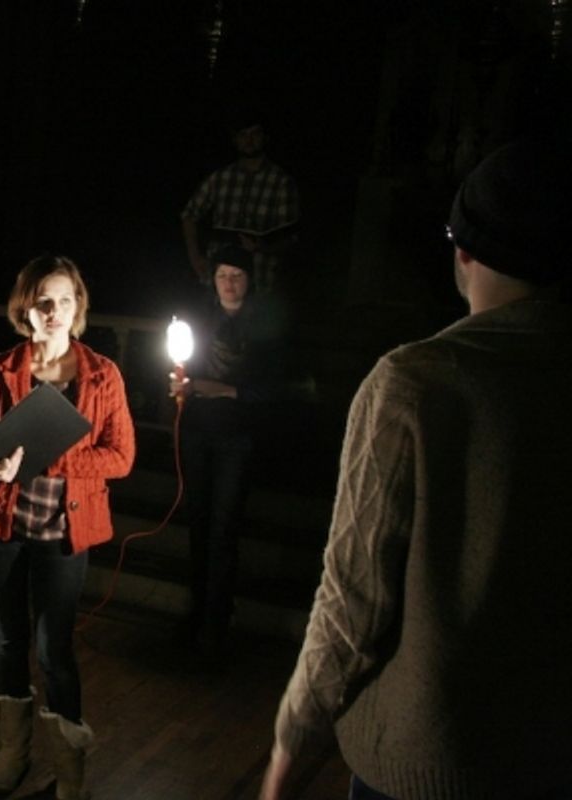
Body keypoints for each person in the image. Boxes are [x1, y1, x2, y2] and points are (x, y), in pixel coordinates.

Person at [259, 139, 572, 800]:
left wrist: (290, 751)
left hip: (429, 761)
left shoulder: (416, 384)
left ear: (462, 250)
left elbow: (353, 601)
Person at [0, 255, 135, 799]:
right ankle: (14, 753)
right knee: (8, 639)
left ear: (78, 307)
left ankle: (68, 772)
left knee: (53, 649)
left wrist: (52, 460)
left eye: (64, 300)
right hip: (2, 526)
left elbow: (121, 456)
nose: (54, 312)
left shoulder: (102, 374)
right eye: (43, 301)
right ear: (25, 309)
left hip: (64, 532)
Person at [168, 244, 287, 657]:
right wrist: (182, 387)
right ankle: (196, 609)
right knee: (199, 522)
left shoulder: (264, 325)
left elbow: (268, 390)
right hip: (199, 431)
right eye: (223, 276)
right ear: (213, 279)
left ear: (249, 280)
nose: (230, 283)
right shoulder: (200, 320)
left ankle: (217, 618)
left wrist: (211, 389)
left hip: (238, 437)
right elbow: (182, 369)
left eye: (237, 275)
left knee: (223, 528)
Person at [181, 111, 299, 293]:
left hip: (260, 277)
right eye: (243, 135)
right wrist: (195, 258)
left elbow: (289, 235)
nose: (249, 140)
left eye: (255, 134)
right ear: (235, 140)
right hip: (219, 278)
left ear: (264, 138)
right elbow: (189, 214)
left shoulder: (280, 181)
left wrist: (263, 246)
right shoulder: (221, 177)